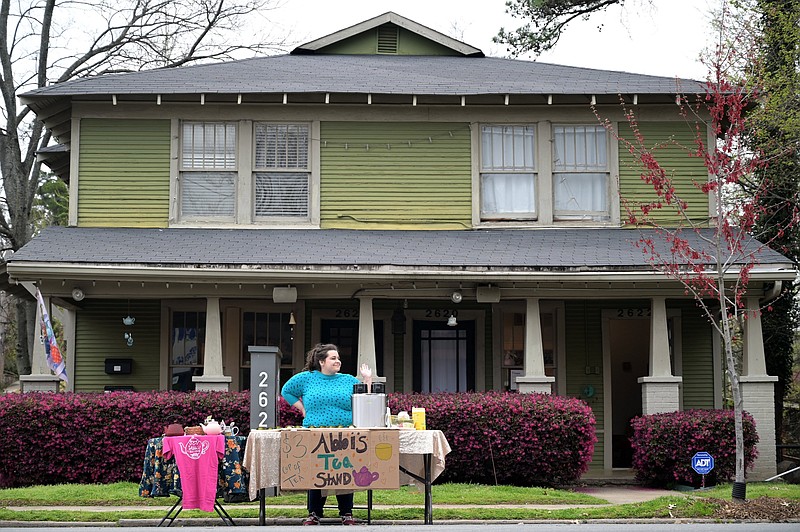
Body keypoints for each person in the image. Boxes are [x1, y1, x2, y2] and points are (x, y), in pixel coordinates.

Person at [280, 343, 372, 526]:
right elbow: (286, 391)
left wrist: (367, 380)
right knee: (317, 473)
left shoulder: (348, 380)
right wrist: (302, 409)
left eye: (338, 358)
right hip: (316, 434)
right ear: (321, 361)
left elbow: (365, 400)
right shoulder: (307, 378)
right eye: (333, 358)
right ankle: (314, 513)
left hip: (344, 434)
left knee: (344, 472)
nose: (337, 361)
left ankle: (346, 513)